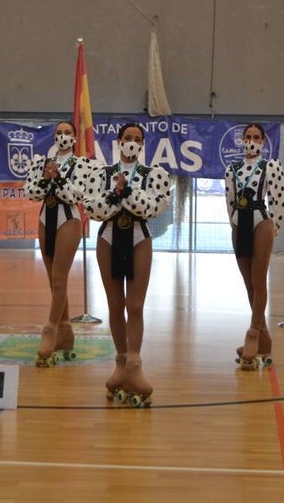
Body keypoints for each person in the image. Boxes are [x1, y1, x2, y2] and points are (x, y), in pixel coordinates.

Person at [83, 122, 172, 407]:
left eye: (137, 139)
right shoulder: (101, 173)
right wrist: (114, 194)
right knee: (114, 304)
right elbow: (93, 208)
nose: (132, 143)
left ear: (143, 144)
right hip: (108, 238)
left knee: (135, 305)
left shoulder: (154, 174)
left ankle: (134, 364)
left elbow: (151, 207)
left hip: (139, 238)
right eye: (127, 138)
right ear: (118, 141)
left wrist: (126, 192)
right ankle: (120, 361)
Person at [23, 120, 91, 366]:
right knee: (53, 279)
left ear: (74, 137)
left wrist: (58, 179)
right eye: (59, 132)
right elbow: (30, 191)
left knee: (60, 277)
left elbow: (77, 193)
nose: (63, 136)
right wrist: (45, 179)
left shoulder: (81, 164)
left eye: (67, 133)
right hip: (45, 217)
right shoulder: (42, 162)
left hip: (68, 219)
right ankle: (66, 332)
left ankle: (51, 328)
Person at [225, 123, 284, 370]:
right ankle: (264, 338)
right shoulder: (232, 168)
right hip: (240, 223)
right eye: (248, 137)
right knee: (248, 282)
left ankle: (253, 333)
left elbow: (279, 198)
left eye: (256, 137)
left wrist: (273, 227)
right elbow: (229, 200)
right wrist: (234, 224)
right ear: (242, 140)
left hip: (261, 220)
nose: (251, 140)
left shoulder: (270, 166)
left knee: (259, 280)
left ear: (263, 141)